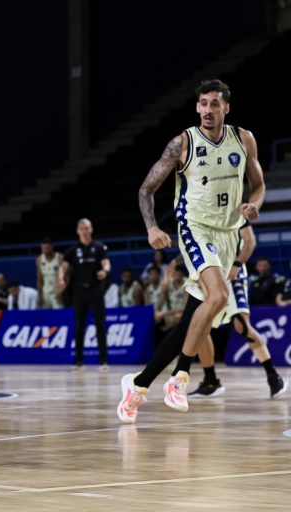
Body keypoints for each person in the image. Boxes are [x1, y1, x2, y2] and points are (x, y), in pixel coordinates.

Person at [117, 79, 266, 423]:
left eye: (214, 103)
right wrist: (152, 227)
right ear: (197, 107)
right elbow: (146, 189)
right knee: (219, 295)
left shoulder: (244, 139)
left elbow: (258, 186)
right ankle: (180, 376)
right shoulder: (182, 143)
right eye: (203, 103)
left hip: (228, 235)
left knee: (190, 323)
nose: (207, 110)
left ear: (226, 107)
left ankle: (138, 385)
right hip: (195, 229)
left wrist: (254, 206)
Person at [190, 223, 286, 399]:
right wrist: (176, 262)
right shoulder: (202, 214)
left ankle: (273, 376)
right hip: (212, 273)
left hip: (233, 274)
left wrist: (236, 264)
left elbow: (249, 242)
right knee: (201, 325)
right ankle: (211, 381)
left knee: (241, 325)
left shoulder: (233, 212)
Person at [58, 218, 111, 371]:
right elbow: (63, 266)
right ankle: (79, 361)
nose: (84, 231)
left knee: (100, 325)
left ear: (91, 229)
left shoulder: (99, 247)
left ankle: (103, 361)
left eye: (87, 228)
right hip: (79, 291)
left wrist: (105, 271)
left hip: (96, 290)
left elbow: (106, 263)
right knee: (79, 326)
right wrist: (61, 278)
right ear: (78, 231)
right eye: (82, 229)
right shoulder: (73, 250)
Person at [37, 238, 63, 309]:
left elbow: (64, 278)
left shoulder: (59, 258)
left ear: (52, 247)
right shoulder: (39, 259)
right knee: (45, 314)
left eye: (47, 248)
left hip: (57, 293)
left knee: (59, 313)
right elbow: (39, 279)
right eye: (43, 249)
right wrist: (40, 295)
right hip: (45, 293)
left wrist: (60, 292)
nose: (45, 251)